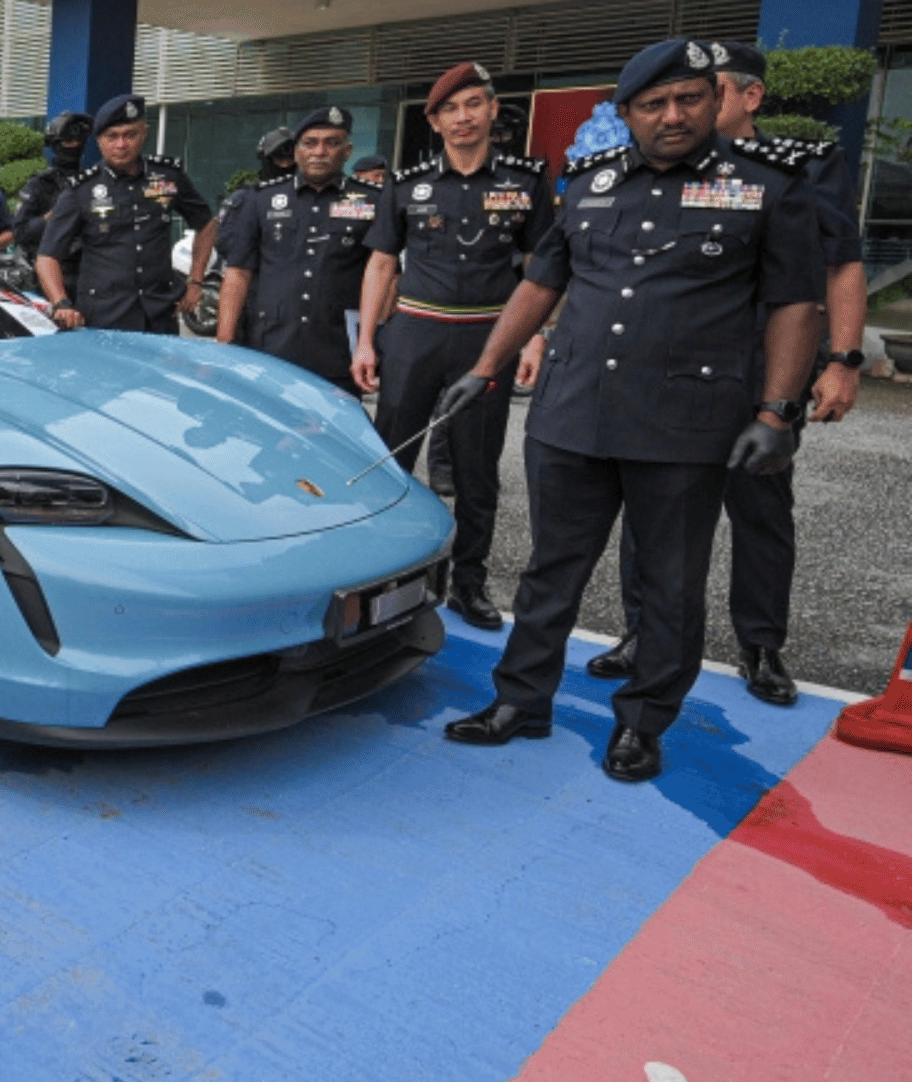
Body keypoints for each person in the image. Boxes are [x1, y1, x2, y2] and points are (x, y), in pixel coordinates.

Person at [438, 38, 823, 783]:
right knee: (550, 569)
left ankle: (644, 722)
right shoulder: (588, 181)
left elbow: (793, 305)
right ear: (627, 113)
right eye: (653, 103)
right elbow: (543, 280)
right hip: (574, 410)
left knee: (672, 583)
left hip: (685, 422)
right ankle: (522, 700)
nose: (672, 115)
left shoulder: (767, 186)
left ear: (716, 101)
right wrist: (485, 367)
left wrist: (778, 412)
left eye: (688, 99)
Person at [587, 40, 871, 706]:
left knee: (761, 507)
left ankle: (762, 642)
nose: (685, 102)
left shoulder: (799, 165)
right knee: (650, 508)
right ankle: (642, 631)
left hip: (761, 368)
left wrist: (844, 361)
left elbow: (842, 263)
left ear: (746, 96)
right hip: (668, 368)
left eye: (703, 88)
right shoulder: (653, 164)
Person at [349, 62, 554, 631]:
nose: (462, 117)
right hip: (414, 332)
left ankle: (469, 582)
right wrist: (366, 340)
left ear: (492, 110)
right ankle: (376, 571)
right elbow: (382, 263)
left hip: (489, 338)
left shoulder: (525, 180)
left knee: (476, 468)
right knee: (391, 458)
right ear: (434, 121)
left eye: (473, 104)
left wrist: (535, 335)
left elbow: (541, 267)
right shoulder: (408, 183)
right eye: (449, 109)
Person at [214, 105, 375, 391]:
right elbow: (238, 273)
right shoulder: (262, 199)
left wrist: (370, 341)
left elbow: (387, 276)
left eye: (332, 143)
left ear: (348, 151)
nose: (319, 151)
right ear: (297, 151)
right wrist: (225, 342)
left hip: (337, 348)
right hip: (270, 344)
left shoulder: (372, 200)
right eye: (310, 143)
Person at [34, 94, 214, 333]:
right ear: (98, 140)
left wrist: (196, 281)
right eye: (112, 137)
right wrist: (61, 303)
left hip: (160, 313)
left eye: (130, 135)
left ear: (144, 133)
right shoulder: (81, 189)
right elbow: (47, 257)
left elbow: (207, 224)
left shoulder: (168, 177)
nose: (121, 144)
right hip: (104, 317)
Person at [12, 111, 92, 257]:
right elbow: (20, 233)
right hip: (49, 265)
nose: (74, 146)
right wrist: (51, 217)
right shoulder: (40, 184)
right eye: (68, 141)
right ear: (56, 144)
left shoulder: (91, 181)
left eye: (78, 142)